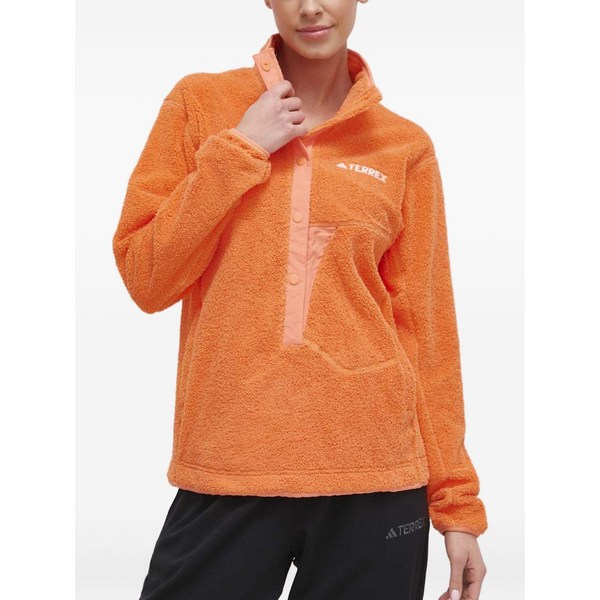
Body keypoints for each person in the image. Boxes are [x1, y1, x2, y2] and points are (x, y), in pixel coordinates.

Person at [112, 1, 489, 599]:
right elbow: (146, 277)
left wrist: (456, 505)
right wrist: (241, 147)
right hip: (231, 463)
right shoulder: (201, 105)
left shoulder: (404, 146)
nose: (311, 6)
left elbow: (426, 330)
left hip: (376, 476)